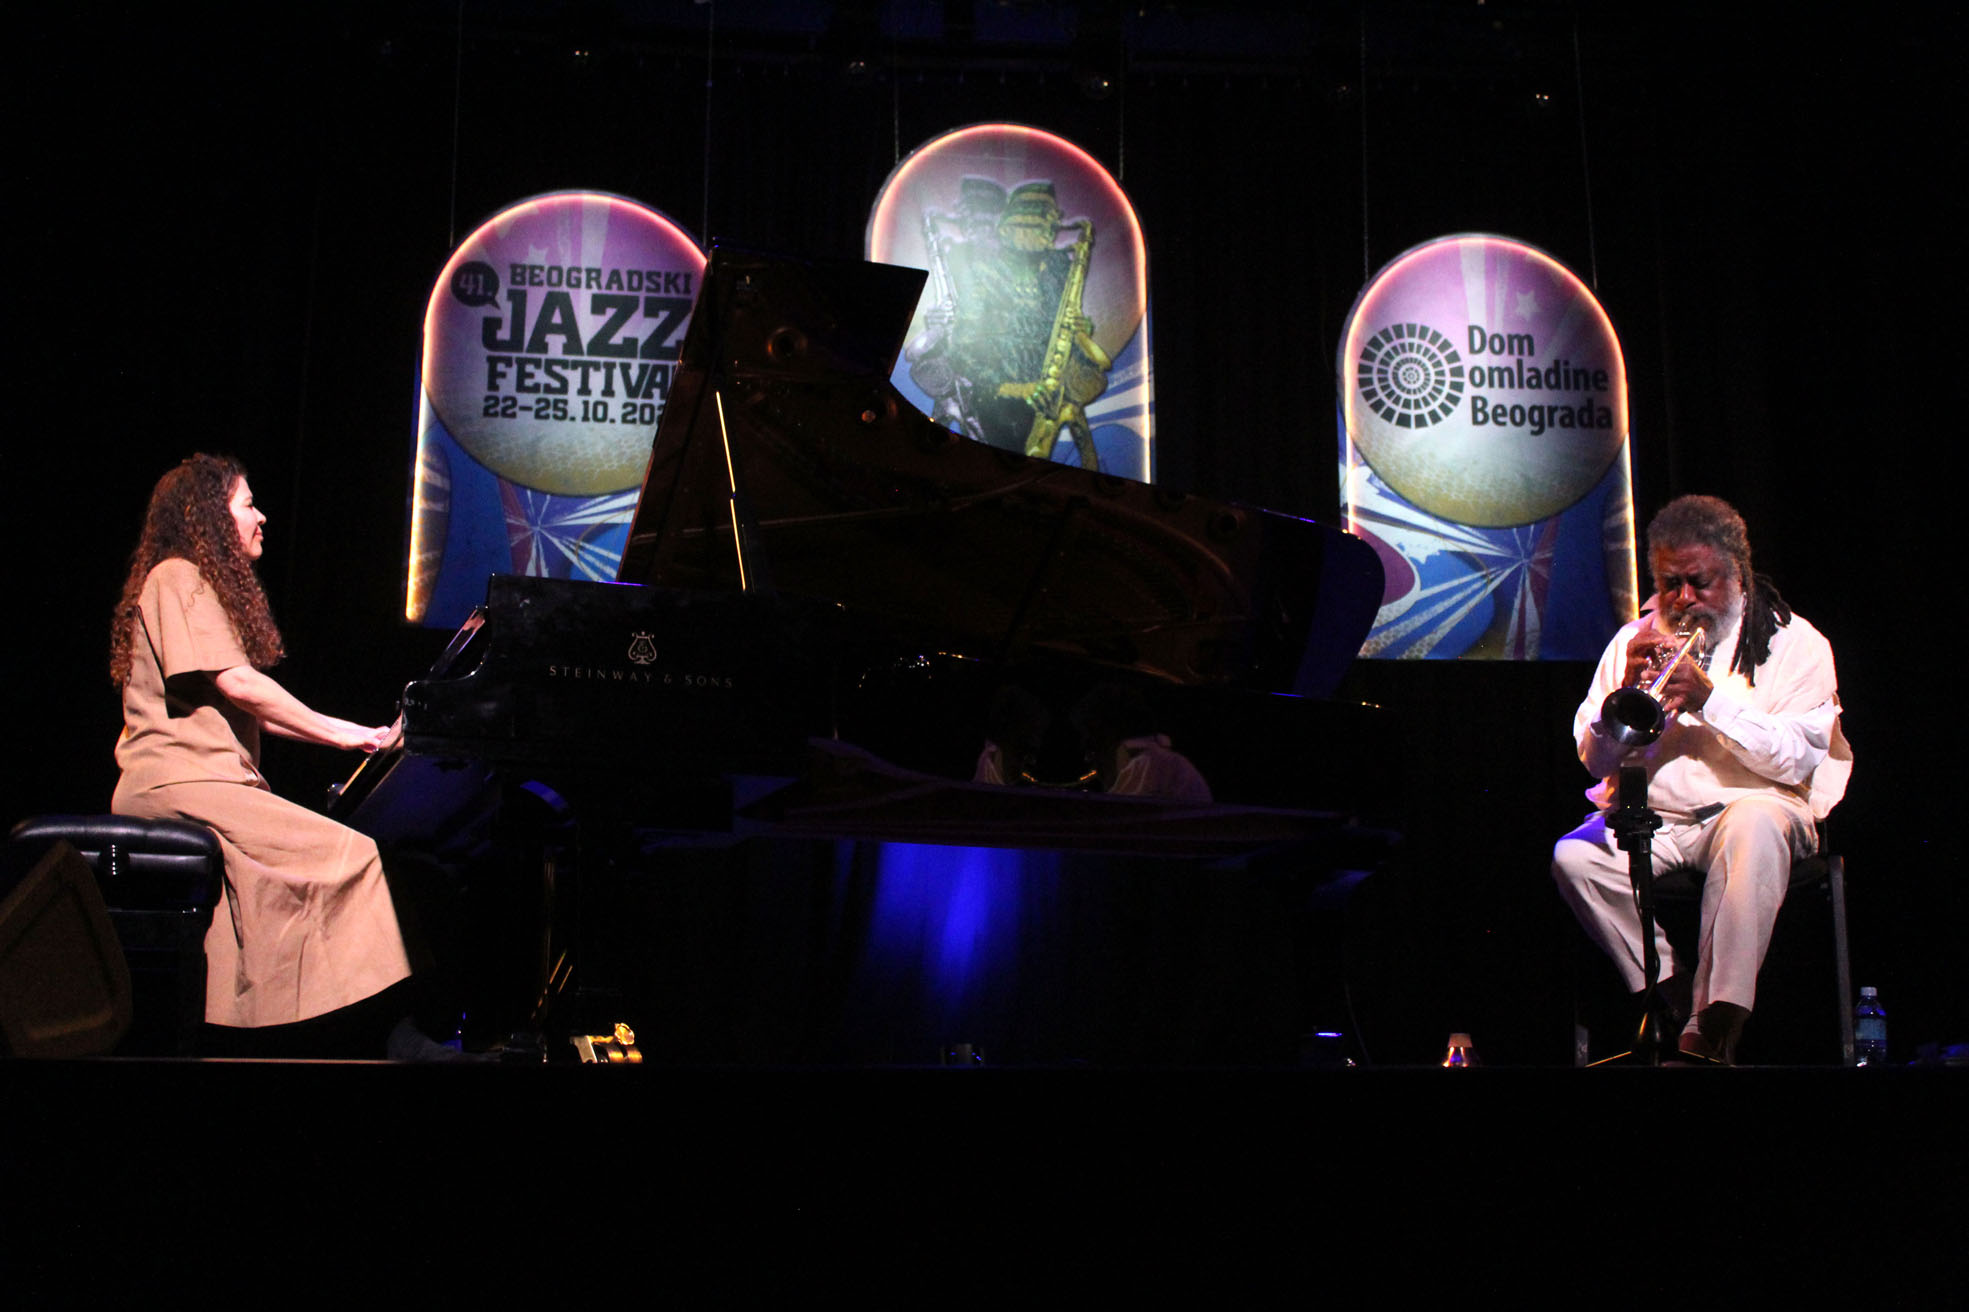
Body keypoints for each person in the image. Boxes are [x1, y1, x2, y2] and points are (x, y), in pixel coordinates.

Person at [109, 453, 422, 1055]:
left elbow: (254, 711)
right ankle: (385, 1032)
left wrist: (359, 736)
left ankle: (265, 1035)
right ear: (209, 515)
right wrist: (353, 736)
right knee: (356, 855)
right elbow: (240, 685)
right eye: (248, 503)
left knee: (286, 885)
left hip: (199, 783)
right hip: (182, 784)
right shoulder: (178, 575)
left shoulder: (185, 582)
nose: (261, 516)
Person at [1551, 495, 1851, 1063]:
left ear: (1736, 572)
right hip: (1657, 820)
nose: (1683, 599)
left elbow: (1797, 760)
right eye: (1670, 584)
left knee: (1754, 826)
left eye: (1699, 582)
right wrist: (1626, 699)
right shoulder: (1633, 641)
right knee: (1576, 856)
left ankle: (1712, 1026)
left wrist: (1711, 702)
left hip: (1755, 806)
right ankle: (1670, 991)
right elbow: (1594, 762)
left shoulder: (1794, 643)